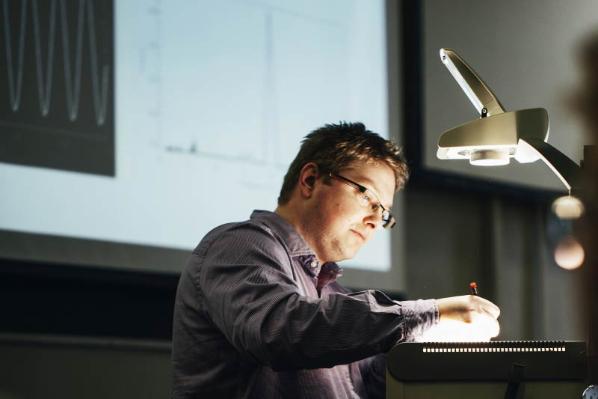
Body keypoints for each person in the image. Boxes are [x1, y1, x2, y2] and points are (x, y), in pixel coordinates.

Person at [171, 122, 500, 398]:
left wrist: (433, 341)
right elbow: (282, 332)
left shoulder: (331, 295)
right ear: (311, 180)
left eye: (384, 213)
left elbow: (368, 384)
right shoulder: (239, 245)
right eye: (367, 195)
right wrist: (430, 313)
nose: (375, 220)